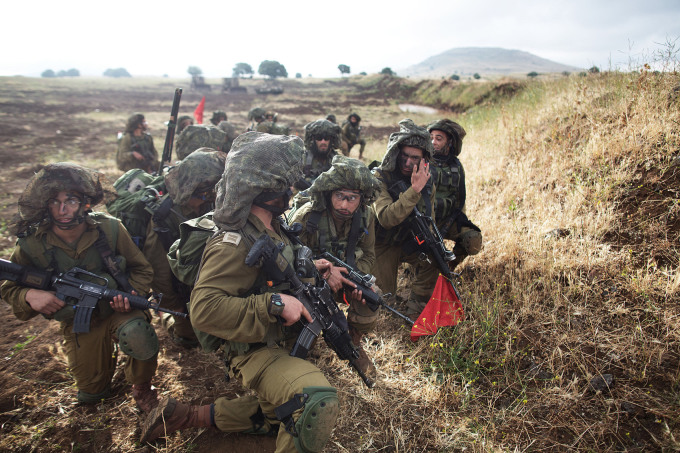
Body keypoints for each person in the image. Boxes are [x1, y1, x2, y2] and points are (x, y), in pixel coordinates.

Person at [141, 133, 340, 453]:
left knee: (278, 419)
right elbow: (204, 310)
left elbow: (273, 273)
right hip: (252, 347)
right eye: (285, 184)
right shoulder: (232, 241)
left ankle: (187, 416)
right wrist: (273, 304)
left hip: (275, 337)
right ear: (267, 190)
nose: (291, 190)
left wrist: (313, 272)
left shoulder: (271, 224)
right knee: (314, 399)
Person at [0, 163, 160, 412]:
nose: (62, 209)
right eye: (54, 201)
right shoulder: (33, 243)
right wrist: (30, 294)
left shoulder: (110, 229)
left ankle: (142, 387)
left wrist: (131, 295)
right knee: (92, 394)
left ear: (86, 203)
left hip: (118, 311)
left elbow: (142, 269)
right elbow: (10, 286)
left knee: (139, 333)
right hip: (79, 323)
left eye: (71, 200)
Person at [289, 154, 381, 377]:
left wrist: (352, 278)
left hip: (345, 278)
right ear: (329, 193)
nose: (344, 204)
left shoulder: (366, 216)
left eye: (352, 198)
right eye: (339, 196)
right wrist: (322, 273)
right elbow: (286, 261)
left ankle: (354, 343)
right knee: (297, 341)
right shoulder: (307, 216)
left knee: (372, 296)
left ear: (362, 199)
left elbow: (369, 256)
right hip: (306, 286)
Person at [141, 150, 226, 347]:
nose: (209, 198)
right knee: (190, 341)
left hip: (205, 277)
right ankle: (166, 318)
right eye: (204, 194)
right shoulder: (164, 216)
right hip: (177, 285)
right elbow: (158, 268)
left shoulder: (210, 203)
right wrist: (173, 305)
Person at [371, 119, 440, 319]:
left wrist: (430, 244)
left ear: (425, 158)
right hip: (381, 244)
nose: (408, 163)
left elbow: (429, 218)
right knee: (384, 303)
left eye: (415, 158)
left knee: (435, 258)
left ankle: (415, 309)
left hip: (407, 241)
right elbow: (386, 217)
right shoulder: (380, 177)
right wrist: (414, 189)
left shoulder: (426, 181)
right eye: (404, 156)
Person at [427, 119, 482, 270]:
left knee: (474, 239)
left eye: (439, 138)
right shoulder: (421, 162)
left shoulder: (456, 166)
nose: (433, 142)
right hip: (424, 222)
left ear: (449, 142)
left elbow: (459, 198)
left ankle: (448, 268)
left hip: (447, 220)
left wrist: (460, 220)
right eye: (431, 138)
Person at [299, 118, 341, 187]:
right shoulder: (303, 159)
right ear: (313, 139)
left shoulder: (338, 160)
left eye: (326, 138)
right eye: (319, 138)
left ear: (331, 140)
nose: (323, 142)